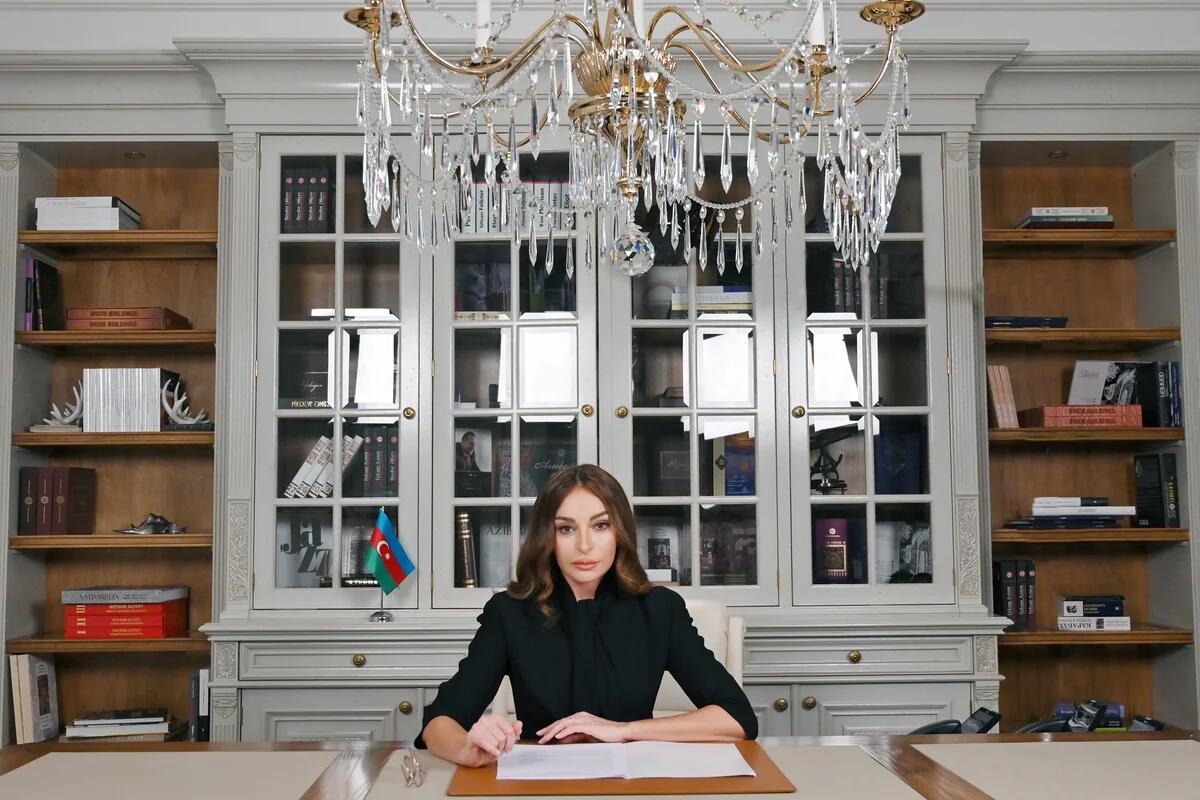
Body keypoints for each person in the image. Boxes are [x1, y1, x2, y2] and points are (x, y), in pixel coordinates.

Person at [416, 464, 757, 767]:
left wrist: (623, 731)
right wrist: (467, 748)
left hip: (633, 785)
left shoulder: (660, 609)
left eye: (600, 525)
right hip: (540, 784)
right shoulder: (509, 612)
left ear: (620, 532)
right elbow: (437, 723)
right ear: (547, 537)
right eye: (566, 529)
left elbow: (737, 717)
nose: (584, 545)